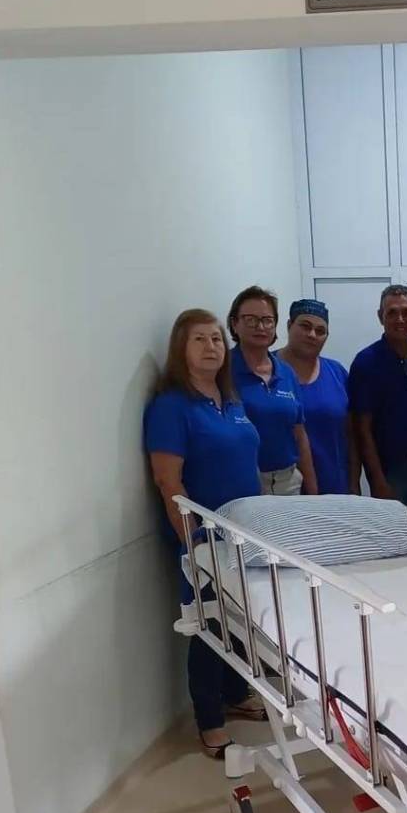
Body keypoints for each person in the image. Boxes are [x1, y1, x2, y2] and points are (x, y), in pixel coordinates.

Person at [144, 309, 265, 759]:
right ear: (181, 348)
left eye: (216, 339)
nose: (212, 346)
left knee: (240, 619)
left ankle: (235, 695)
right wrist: (191, 541)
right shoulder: (171, 406)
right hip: (204, 537)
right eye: (200, 339)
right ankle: (210, 721)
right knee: (209, 624)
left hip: (244, 531)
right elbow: (167, 480)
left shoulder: (230, 400)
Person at [348, 284, 407, 529]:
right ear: (380, 316)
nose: (400, 319)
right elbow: (362, 428)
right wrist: (377, 479)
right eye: (392, 313)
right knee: (389, 539)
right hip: (388, 470)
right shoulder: (366, 363)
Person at [227, 286, 318, 495]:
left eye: (267, 320)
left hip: (288, 482)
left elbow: (299, 434)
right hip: (244, 482)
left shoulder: (286, 372)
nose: (260, 327)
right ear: (234, 323)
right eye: (250, 319)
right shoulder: (223, 371)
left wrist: (313, 490)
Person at [279, 298, 360, 494]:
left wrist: (354, 483)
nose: (312, 335)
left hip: (334, 488)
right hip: (281, 492)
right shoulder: (268, 371)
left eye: (320, 330)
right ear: (289, 325)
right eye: (305, 326)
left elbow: (352, 435)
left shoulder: (337, 373)